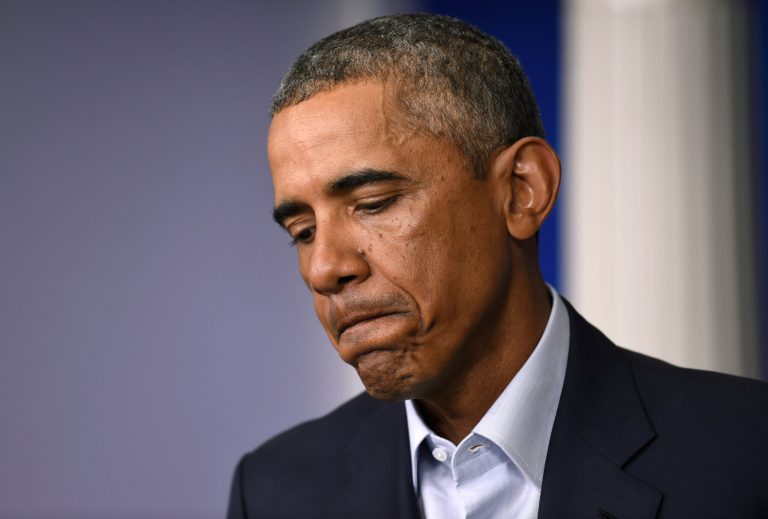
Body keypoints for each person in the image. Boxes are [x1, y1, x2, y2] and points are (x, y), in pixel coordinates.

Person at [227, 13, 768, 519]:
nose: (324, 268)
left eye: (373, 203)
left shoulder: (746, 452)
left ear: (521, 191)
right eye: (302, 232)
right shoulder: (274, 490)